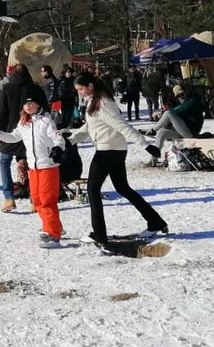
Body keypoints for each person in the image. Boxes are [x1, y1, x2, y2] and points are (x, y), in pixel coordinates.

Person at [68, 73, 167, 245]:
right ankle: (155, 222)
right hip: (114, 150)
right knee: (123, 188)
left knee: (92, 190)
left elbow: (121, 125)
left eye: (81, 89)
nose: (80, 93)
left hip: (108, 151)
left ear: (91, 86)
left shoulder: (104, 103)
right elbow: (89, 126)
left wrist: (144, 144)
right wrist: (70, 140)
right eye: (77, 90)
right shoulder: (94, 101)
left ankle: (99, 235)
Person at [0, 95, 65, 248]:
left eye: (32, 103)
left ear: (38, 105)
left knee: (47, 200)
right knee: (37, 200)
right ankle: (53, 226)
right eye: (26, 104)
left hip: (48, 166)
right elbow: (13, 137)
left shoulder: (46, 121)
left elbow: (58, 138)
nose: (29, 107)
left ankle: (53, 234)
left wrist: (57, 148)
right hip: (33, 168)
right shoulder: (24, 123)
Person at [0, 64, 47, 212]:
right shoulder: (35, 89)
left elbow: (0, 112)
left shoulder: (7, 89)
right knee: (32, 166)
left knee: (4, 162)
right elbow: (45, 109)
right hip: (31, 131)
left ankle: (9, 198)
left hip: (10, 131)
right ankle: (34, 199)